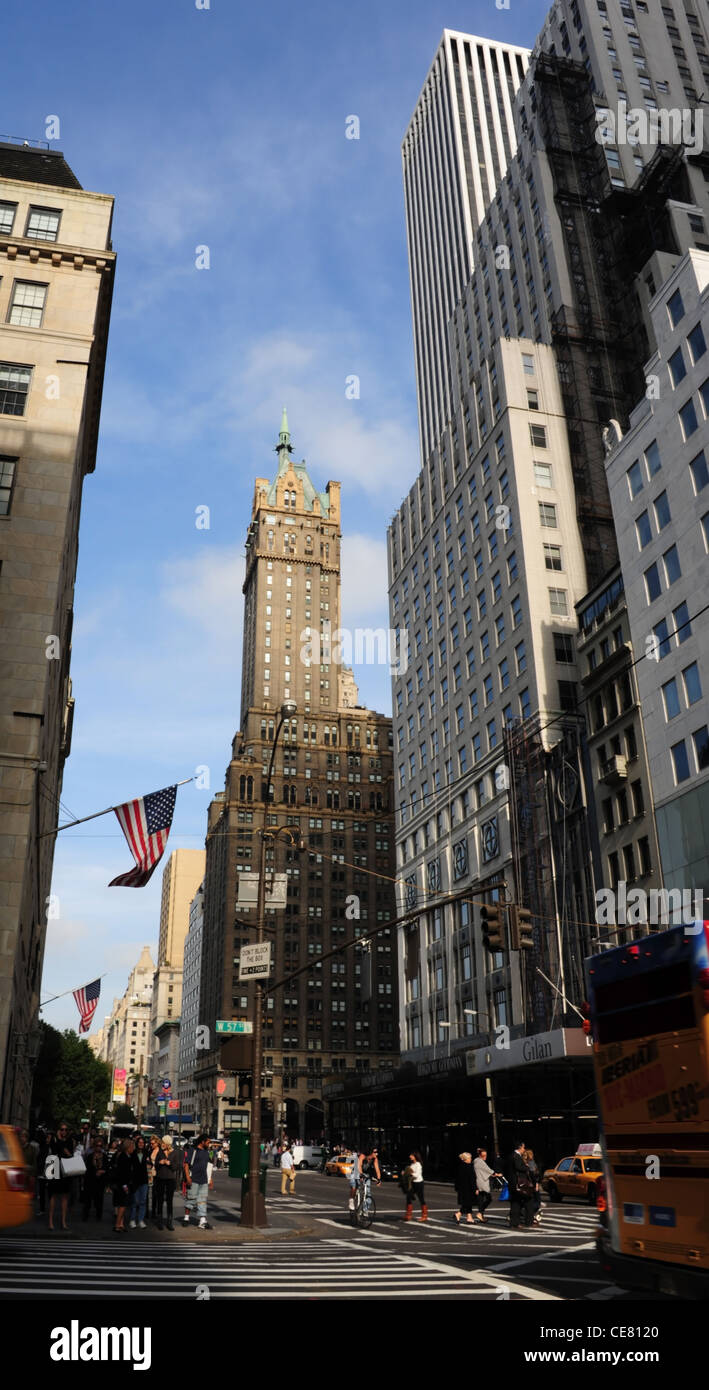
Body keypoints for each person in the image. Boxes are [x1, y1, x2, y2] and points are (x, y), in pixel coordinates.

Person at [47, 1122, 74, 1232]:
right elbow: (53, 1152)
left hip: (65, 1169)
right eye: (62, 1129)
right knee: (53, 1196)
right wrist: (58, 1139)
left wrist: (60, 1141)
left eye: (66, 1130)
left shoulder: (69, 1141)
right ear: (58, 1130)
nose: (64, 1132)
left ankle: (63, 1222)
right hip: (54, 1167)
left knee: (64, 1197)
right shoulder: (53, 1140)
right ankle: (50, 1221)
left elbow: (69, 1154)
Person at [183, 1133, 214, 1228]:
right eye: (208, 1142)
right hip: (194, 1179)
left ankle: (202, 1221)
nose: (209, 1144)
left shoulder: (206, 1152)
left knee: (202, 1200)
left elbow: (208, 1167)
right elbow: (186, 1165)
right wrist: (188, 1177)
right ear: (202, 1141)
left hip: (204, 1180)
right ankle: (186, 1218)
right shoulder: (193, 1150)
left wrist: (210, 1179)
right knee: (191, 1199)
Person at [508, 1138, 535, 1231]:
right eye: (523, 1147)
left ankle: (515, 1223)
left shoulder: (512, 1155)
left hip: (513, 1182)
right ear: (520, 1147)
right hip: (518, 1183)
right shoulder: (516, 1156)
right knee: (517, 1203)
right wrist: (526, 1167)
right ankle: (515, 1223)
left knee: (516, 1203)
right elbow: (518, 1167)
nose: (524, 1149)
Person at [154, 1136, 181, 1230]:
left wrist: (170, 1164)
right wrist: (159, 1162)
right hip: (160, 1178)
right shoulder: (160, 1152)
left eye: (164, 1143)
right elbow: (156, 1165)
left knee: (169, 1201)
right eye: (162, 1143)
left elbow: (177, 1166)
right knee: (160, 1200)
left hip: (170, 1179)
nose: (162, 1144)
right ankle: (159, 1221)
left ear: (168, 1143)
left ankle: (169, 1222)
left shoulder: (175, 1152)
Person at [473, 1147, 504, 1223]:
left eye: (486, 1155)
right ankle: (480, 1213)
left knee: (480, 1198)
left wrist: (492, 1174)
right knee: (488, 1198)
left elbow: (484, 1171)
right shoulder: (480, 1162)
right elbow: (488, 1170)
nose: (485, 1157)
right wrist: (497, 1174)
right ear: (480, 1155)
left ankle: (481, 1214)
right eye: (484, 1156)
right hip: (482, 1183)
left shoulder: (476, 1161)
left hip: (478, 1181)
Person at [82, 1137, 108, 1222]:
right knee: (88, 1199)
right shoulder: (90, 1156)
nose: (99, 1147)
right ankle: (85, 1215)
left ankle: (98, 1215)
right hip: (90, 1181)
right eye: (97, 1146)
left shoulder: (105, 1156)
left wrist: (102, 1171)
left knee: (99, 1199)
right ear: (94, 1146)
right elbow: (87, 1168)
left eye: (100, 1146)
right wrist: (95, 1172)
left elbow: (107, 1168)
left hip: (101, 1181)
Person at [111, 1139, 134, 1233]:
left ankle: (121, 1224)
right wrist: (125, 1185)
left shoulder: (127, 1156)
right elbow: (122, 1173)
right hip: (123, 1184)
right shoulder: (123, 1157)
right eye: (132, 1147)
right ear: (128, 1147)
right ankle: (117, 1224)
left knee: (124, 1204)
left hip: (125, 1183)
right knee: (123, 1205)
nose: (133, 1148)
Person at [129, 1134, 149, 1229]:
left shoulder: (146, 1153)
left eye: (143, 1142)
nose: (141, 1144)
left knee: (143, 1201)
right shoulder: (133, 1153)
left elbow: (150, 1164)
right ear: (137, 1144)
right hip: (135, 1180)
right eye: (139, 1142)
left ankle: (140, 1220)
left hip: (144, 1180)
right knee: (135, 1201)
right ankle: (132, 1219)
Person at [404, 1150, 427, 1222]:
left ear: (415, 1156)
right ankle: (408, 1214)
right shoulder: (412, 1165)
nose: (410, 1157)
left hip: (419, 1183)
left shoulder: (418, 1164)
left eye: (411, 1155)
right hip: (413, 1183)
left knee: (421, 1198)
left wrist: (409, 1174)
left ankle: (424, 1215)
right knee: (408, 1197)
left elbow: (416, 1175)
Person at [454, 1151, 476, 1225]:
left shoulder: (460, 1166)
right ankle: (459, 1214)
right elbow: (472, 1179)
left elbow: (457, 1178)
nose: (471, 1159)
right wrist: (475, 1188)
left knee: (467, 1203)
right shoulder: (469, 1167)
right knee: (467, 1203)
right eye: (470, 1158)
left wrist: (457, 1188)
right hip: (469, 1188)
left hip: (462, 1188)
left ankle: (469, 1218)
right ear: (466, 1159)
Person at [524, 1147, 542, 1226]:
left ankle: (528, 1214)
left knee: (532, 1201)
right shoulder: (531, 1163)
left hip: (528, 1185)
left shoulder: (527, 1162)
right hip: (533, 1185)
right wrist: (536, 1184)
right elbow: (534, 1175)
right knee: (537, 1202)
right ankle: (528, 1215)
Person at [147, 1135, 162, 1220]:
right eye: (150, 1143)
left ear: (157, 1143)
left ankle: (154, 1212)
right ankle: (147, 1212)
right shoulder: (150, 1150)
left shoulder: (160, 1151)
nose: (151, 1145)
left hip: (157, 1174)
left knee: (155, 1194)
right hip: (149, 1173)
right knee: (148, 1193)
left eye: (153, 1143)